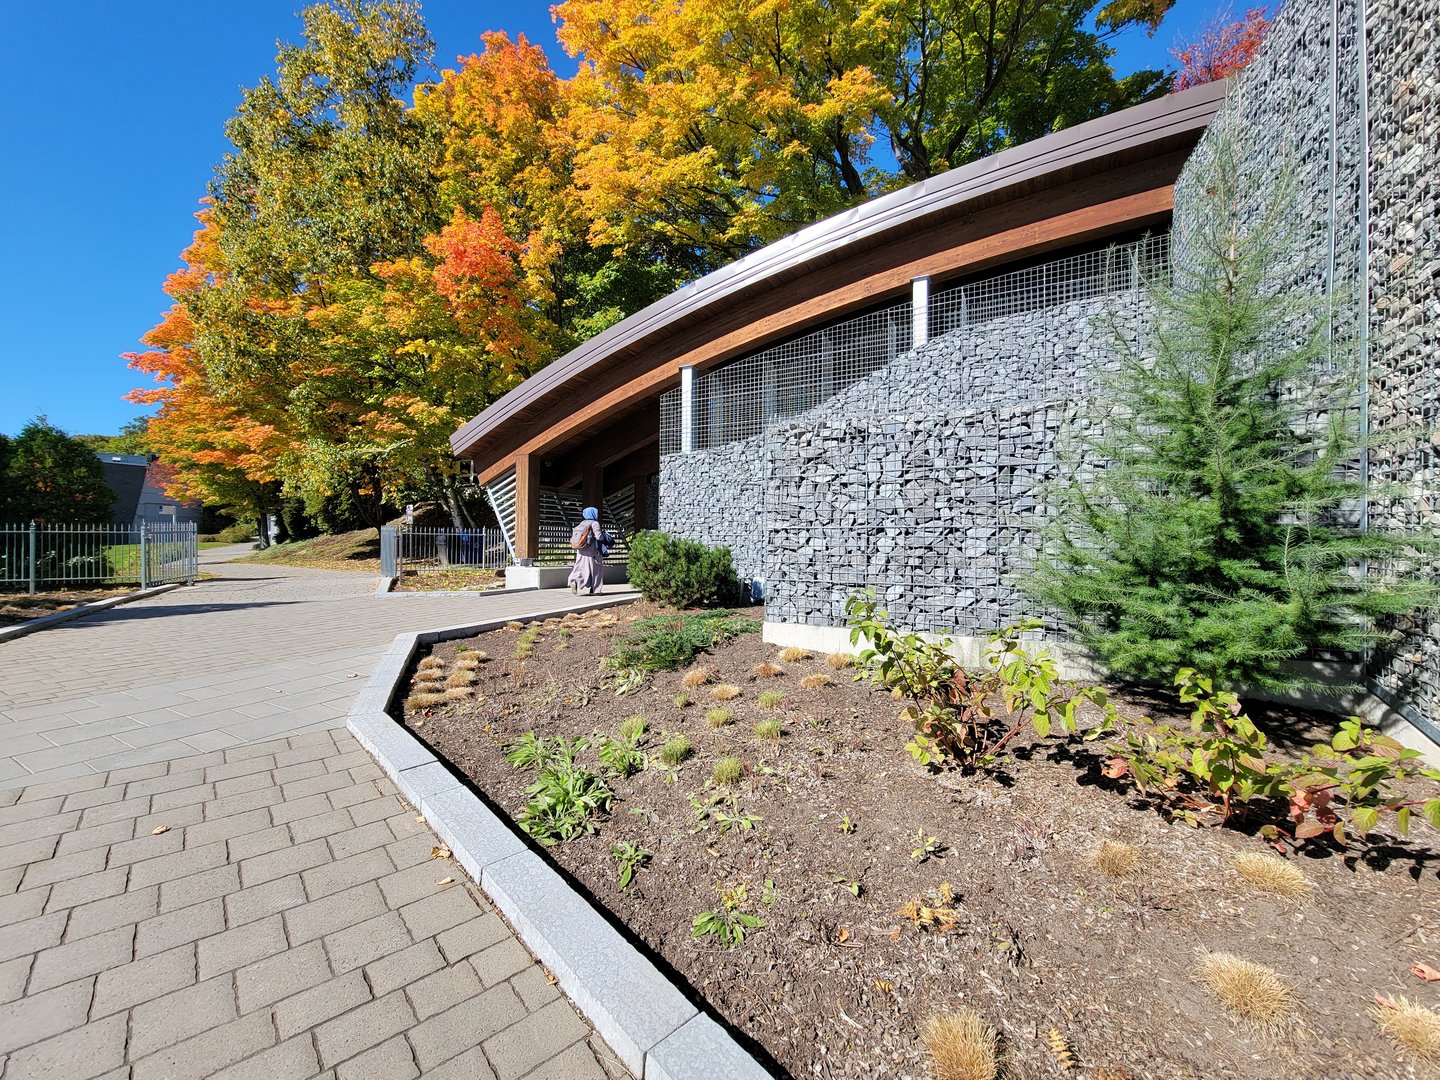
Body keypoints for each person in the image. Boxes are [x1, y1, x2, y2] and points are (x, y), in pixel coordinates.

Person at [567, 506, 610, 595]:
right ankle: (596, 590)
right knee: (596, 569)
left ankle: (574, 581)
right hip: (592, 551)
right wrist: (604, 537)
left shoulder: (581, 524)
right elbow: (599, 537)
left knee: (580, 567)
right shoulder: (594, 523)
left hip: (581, 550)